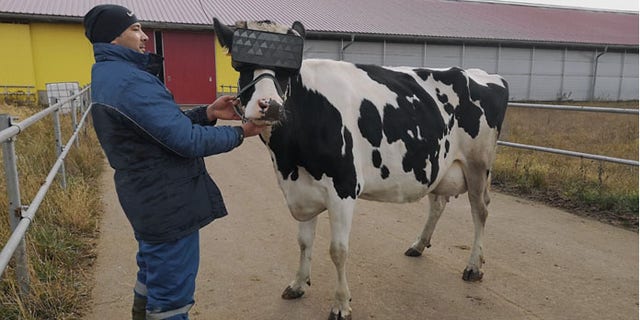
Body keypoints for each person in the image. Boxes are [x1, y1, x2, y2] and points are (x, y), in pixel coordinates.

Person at [83, 4, 264, 319]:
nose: (144, 36)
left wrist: (206, 113)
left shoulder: (114, 75)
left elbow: (159, 128)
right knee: (171, 300)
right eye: (135, 29)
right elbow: (186, 141)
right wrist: (241, 133)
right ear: (113, 39)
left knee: (151, 273)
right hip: (165, 202)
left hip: (147, 197)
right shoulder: (129, 82)